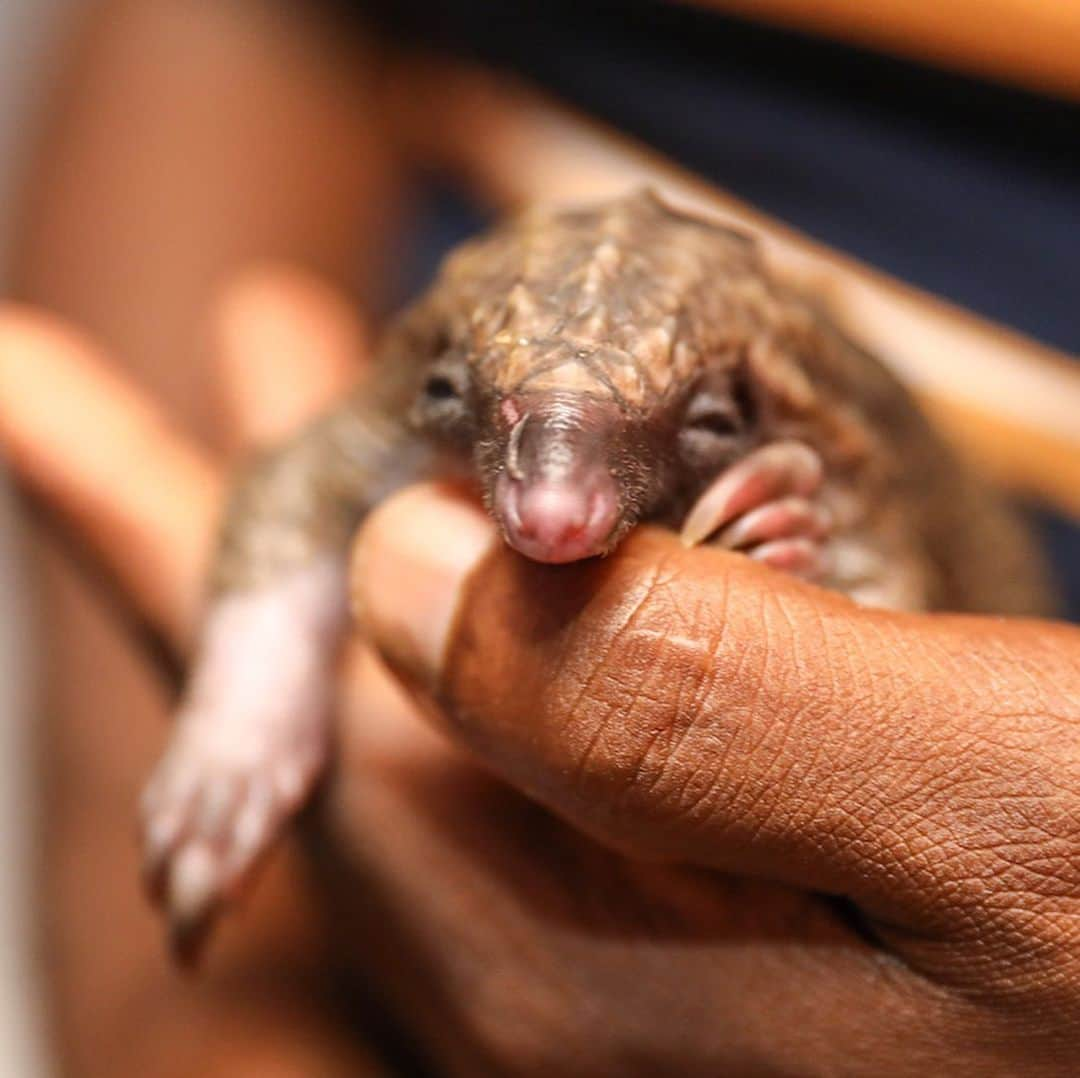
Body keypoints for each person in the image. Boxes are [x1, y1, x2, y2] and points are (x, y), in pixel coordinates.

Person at [4, 1, 1080, 1074]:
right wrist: (238, 750)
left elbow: (909, 576)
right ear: (450, 390)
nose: (554, 510)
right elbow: (313, 471)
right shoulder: (433, 384)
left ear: (739, 422)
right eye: (509, 430)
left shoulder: (832, 439)